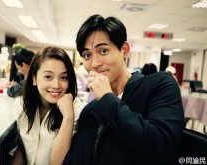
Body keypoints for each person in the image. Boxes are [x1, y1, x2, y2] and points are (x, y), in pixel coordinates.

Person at [63, 14, 185, 165]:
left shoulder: (158, 85)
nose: (94, 63)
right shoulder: (91, 111)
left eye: (103, 51)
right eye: (87, 55)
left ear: (125, 50)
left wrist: (108, 98)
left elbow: (161, 149)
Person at [11, 46, 84, 165]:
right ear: (34, 78)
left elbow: (57, 162)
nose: (56, 85)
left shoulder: (75, 108)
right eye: (48, 77)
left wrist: (68, 117)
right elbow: (24, 147)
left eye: (63, 77)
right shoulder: (21, 103)